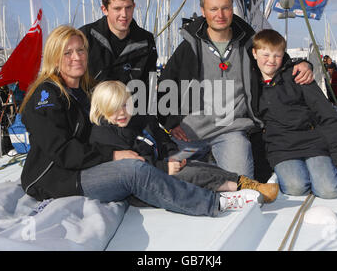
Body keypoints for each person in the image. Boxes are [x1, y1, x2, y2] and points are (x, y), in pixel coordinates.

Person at [19, 25, 260, 217]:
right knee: (134, 171)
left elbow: (107, 128)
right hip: (56, 179)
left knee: (171, 158)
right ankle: (215, 203)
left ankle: (234, 182)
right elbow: (62, 151)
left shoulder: (84, 91)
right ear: (54, 56)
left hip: (86, 165)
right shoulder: (47, 96)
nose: (76, 57)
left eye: (80, 50)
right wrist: (114, 156)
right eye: (67, 52)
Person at [157, 0, 314, 179]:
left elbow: (276, 60)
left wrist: (304, 65)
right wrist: (171, 122)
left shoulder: (249, 43)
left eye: (225, 8)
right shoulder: (189, 46)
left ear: (232, 9)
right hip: (191, 133)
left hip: (231, 132)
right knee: (172, 177)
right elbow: (165, 82)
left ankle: (211, 168)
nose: (220, 15)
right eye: (213, 9)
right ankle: (207, 167)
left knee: (241, 184)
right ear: (203, 11)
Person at [89, 80, 279, 202]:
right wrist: (164, 168)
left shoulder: (141, 120)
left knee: (196, 165)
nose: (121, 113)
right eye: (113, 108)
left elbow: (163, 140)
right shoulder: (105, 135)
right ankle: (234, 192)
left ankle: (244, 182)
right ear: (101, 109)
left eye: (125, 105)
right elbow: (131, 167)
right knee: (188, 176)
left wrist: (174, 156)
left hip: (161, 166)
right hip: (142, 186)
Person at [251, 29, 337, 199]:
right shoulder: (251, 83)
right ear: (254, 53)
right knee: (295, 188)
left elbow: (326, 114)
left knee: (329, 190)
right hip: (281, 147)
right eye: (265, 55)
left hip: (312, 142)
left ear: (284, 55)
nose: (271, 61)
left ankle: (334, 173)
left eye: (277, 55)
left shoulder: (298, 77)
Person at [79, 0, 157, 91]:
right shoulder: (85, 37)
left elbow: (150, 84)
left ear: (134, 6)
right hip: (94, 106)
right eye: (117, 9)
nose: (124, 14)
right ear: (105, 10)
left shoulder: (146, 41)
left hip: (131, 106)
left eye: (128, 7)